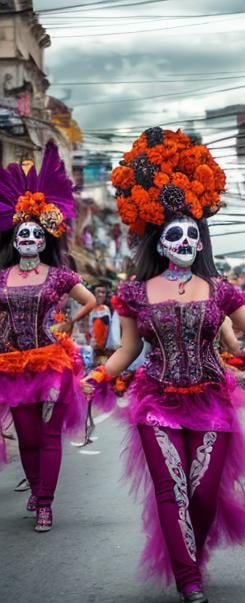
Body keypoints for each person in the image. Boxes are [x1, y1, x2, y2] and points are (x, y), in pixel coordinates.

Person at [83, 128, 245, 603]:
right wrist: (97, 376)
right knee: (171, 490)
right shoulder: (134, 294)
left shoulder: (219, 289)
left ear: (200, 239)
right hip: (156, 402)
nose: (184, 240)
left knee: (203, 494)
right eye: (174, 234)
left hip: (211, 403)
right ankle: (188, 579)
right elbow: (126, 351)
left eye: (192, 234)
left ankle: (193, 556)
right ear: (160, 242)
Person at [0, 143, 96, 531]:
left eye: (34, 235)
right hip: (10, 364)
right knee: (26, 437)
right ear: (14, 239)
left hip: (51, 363)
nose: (27, 239)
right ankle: (37, 488)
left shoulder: (59, 276)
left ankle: (45, 502)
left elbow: (88, 300)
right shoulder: (2, 277)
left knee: (50, 435)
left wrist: (69, 324)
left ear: (44, 240)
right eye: (22, 234)